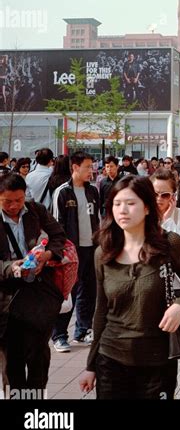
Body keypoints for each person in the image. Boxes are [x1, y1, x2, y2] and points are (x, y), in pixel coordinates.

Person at [78, 175, 180, 399]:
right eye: (117, 203)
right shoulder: (103, 252)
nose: (122, 210)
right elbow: (101, 311)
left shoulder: (169, 244)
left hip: (157, 360)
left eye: (131, 203)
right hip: (111, 359)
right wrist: (91, 365)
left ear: (147, 207)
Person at [0, 173, 66, 391]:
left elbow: (58, 236)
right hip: (7, 302)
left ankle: (35, 405)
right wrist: (11, 267)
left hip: (37, 295)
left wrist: (46, 256)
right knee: (12, 361)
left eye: (18, 200)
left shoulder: (35, 211)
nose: (14, 206)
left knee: (38, 357)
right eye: (7, 201)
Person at [51, 151, 100, 352]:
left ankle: (82, 331)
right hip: (71, 252)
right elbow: (56, 225)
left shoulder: (93, 191)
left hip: (91, 249)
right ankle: (59, 335)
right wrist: (62, 252)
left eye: (92, 167)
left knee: (89, 291)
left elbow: (97, 218)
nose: (92, 171)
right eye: (88, 167)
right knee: (67, 292)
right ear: (75, 167)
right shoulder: (63, 192)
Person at [152, 169, 180, 247]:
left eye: (165, 195)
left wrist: (167, 220)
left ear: (173, 195)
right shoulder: (143, 214)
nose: (159, 198)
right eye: (155, 194)